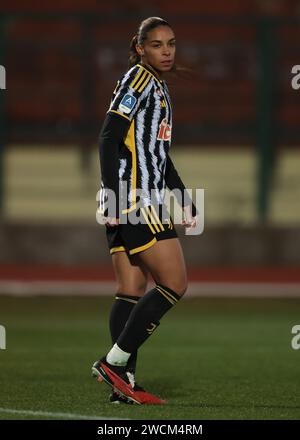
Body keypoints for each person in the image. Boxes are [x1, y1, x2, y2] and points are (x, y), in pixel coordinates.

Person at [92, 16, 198, 405]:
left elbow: (159, 155)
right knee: (175, 283)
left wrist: (183, 197)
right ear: (140, 48)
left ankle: (124, 385)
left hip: (134, 196)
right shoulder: (138, 80)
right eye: (157, 44)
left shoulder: (157, 86)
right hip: (135, 197)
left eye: (171, 43)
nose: (167, 51)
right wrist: (111, 193)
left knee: (131, 289)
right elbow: (108, 136)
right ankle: (115, 363)